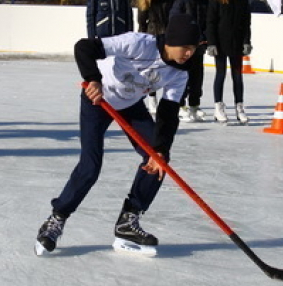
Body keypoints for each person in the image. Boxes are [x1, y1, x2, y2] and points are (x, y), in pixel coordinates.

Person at [35, 13, 200, 256]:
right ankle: (57, 218)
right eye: (185, 47)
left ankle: (128, 220)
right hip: (98, 101)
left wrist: (160, 149)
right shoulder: (138, 43)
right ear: (171, 41)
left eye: (193, 48)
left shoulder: (180, 74)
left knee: (157, 161)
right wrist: (93, 79)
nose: (189, 54)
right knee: (90, 166)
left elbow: (168, 113)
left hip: (131, 107)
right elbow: (84, 47)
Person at [206, 0, 252, 124]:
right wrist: (211, 43)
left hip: (237, 44)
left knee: (237, 77)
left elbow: (246, 22)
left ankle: (239, 107)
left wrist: (247, 41)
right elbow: (210, 23)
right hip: (220, 44)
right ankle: (218, 107)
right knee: (220, 75)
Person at [170, 0, 208, 122]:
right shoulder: (181, 2)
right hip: (185, 46)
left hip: (199, 46)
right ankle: (181, 105)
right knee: (183, 76)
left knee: (197, 77)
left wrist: (205, 38)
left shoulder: (206, 1)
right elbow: (175, 21)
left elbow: (209, 22)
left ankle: (194, 105)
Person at [134, 0, 173, 115]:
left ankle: (169, 99)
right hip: (152, 34)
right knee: (152, 69)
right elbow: (142, 21)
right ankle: (152, 98)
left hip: (167, 34)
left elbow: (173, 13)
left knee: (168, 68)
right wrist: (141, 39)